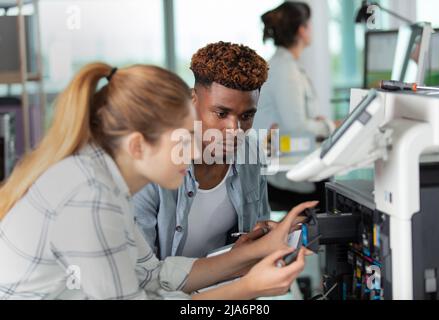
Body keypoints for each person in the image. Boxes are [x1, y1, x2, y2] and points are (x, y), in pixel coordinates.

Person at [0, 62, 315, 300]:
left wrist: (251, 253)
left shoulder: (104, 181)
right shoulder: (89, 198)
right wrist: (246, 289)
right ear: (137, 146)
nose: (194, 150)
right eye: (183, 139)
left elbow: (152, 275)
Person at [134, 42, 277, 259]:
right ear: (193, 100)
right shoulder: (151, 168)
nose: (234, 130)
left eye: (246, 116)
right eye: (221, 113)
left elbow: (257, 235)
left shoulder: (251, 154)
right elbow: (141, 277)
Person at [254, 2, 334, 210]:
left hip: (287, 157)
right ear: (302, 30)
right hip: (284, 178)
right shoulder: (285, 70)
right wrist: (328, 126)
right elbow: (296, 126)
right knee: (333, 189)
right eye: (310, 24)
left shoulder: (285, 65)